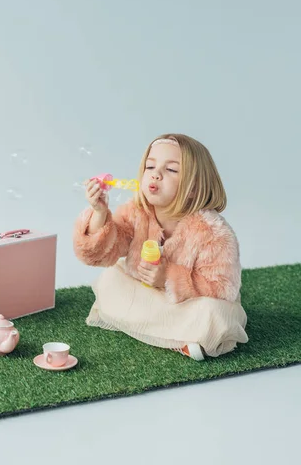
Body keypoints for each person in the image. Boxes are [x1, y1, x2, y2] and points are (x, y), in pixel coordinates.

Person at [73, 134, 249, 361]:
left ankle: (160, 331)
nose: (156, 174)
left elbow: (222, 288)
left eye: (172, 170)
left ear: (194, 187)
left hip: (188, 305)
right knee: (110, 280)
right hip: (147, 297)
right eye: (150, 166)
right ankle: (180, 339)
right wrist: (99, 213)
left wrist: (167, 277)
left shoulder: (214, 232)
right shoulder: (136, 212)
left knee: (216, 316)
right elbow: (102, 252)